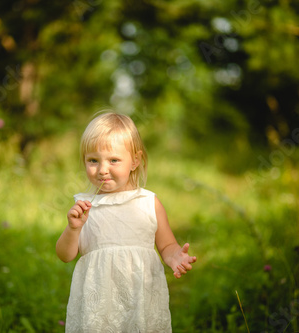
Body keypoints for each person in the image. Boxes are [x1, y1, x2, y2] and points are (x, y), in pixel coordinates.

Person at [56, 112, 197, 332]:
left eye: (113, 160)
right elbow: (65, 255)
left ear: (135, 160)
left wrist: (174, 256)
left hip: (139, 300)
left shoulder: (148, 202)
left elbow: (166, 244)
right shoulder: (84, 207)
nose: (102, 169)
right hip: (98, 306)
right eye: (93, 160)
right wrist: (73, 229)